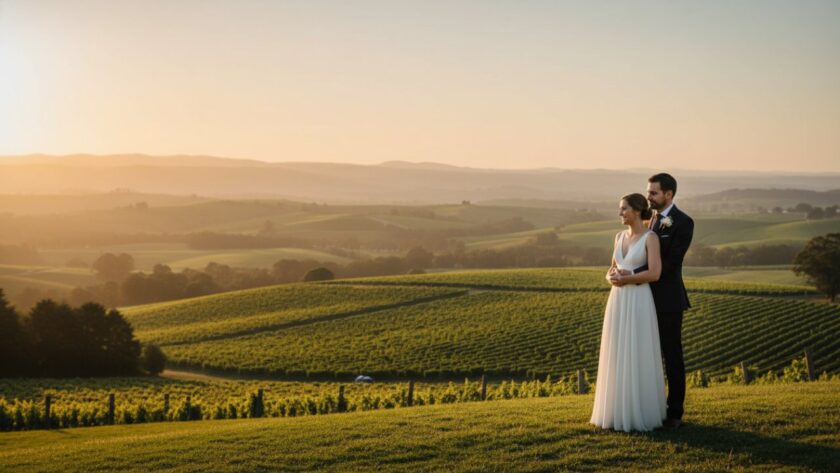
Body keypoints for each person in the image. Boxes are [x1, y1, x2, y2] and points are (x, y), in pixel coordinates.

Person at [610, 173, 694, 431]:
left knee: (671, 356)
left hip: (666, 299)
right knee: (641, 354)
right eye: (648, 193)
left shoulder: (682, 222)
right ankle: (645, 408)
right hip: (637, 299)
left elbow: (670, 264)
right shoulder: (647, 220)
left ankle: (674, 413)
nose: (649, 197)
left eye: (654, 193)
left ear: (669, 194)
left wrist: (632, 275)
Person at [590, 192, 666, 432]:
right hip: (618, 299)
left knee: (636, 348)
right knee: (617, 350)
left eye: (623, 209)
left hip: (639, 298)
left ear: (636, 210)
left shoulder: (651, 238)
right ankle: (615, 411)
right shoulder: (619, 236)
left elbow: (655, 273)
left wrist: (629, 277)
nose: (620, 213)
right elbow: (612, 269)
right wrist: (612, 277)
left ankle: (639, 411)